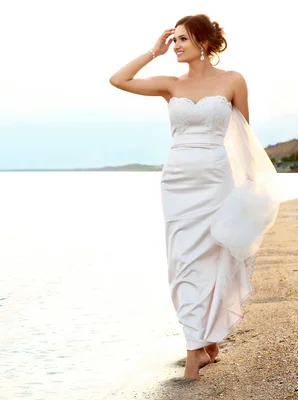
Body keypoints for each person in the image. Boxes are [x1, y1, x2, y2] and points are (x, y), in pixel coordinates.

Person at [109, 14, 280, 380]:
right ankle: (194, 348)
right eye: (173, 41)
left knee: (216, 257)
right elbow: (118, 79)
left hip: (216, 179)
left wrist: (251, 182)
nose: (176, 45)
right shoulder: (170, 84)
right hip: (177, 182)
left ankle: (206, 343)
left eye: (182, 39)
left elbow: (244, 135)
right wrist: (152, 52)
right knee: (183, 262)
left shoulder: (233, 81)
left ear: (203, 42)